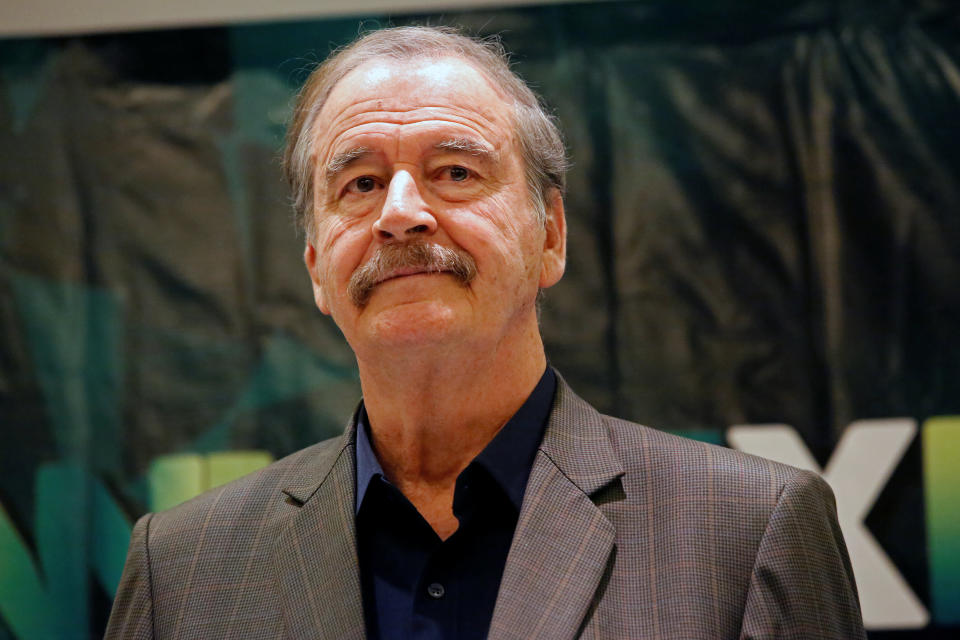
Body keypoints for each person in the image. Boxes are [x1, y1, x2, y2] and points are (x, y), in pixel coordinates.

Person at [105, 26, 865, 639]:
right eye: (360, 184)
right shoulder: (183, 570)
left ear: (551, 236)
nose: (401, 212)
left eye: (455, 172)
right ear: (315, 268)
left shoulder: (748, 533)